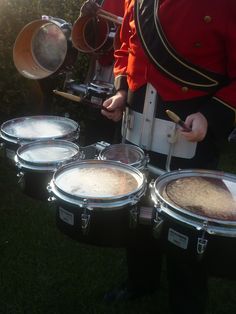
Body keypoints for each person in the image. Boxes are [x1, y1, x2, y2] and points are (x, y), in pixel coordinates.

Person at [101, 1, 236, 313]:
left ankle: (187, 301)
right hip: (136, 126)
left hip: (190, 132)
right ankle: (140, 281)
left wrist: (212, 116)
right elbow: (127, 47)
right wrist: (122, 93)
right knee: (137, 211)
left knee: (188, 222)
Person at [76, 0, 125, 145]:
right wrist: (84, 15)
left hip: (127, 78)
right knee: (95, 138)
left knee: (118, 144)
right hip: (100, 76)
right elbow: (85, 39)